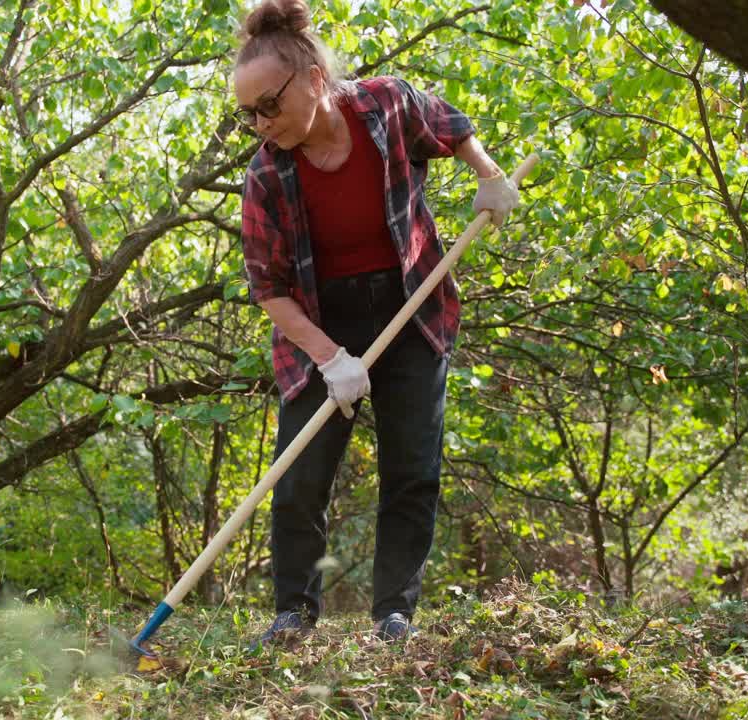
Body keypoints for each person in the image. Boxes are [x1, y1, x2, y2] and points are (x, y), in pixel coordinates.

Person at [233, 0, 521, 645]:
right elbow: (269, 289)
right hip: (318, 323)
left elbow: (450, 125)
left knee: (413, 466)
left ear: (312, 80)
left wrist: (491, 177)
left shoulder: (386, 105)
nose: (258, 124)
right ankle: (293, 615)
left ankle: (395, 614)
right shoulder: (266, 176)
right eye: (246, 113)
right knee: (300, 473)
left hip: (410, 306)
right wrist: (330, 358)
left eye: (268, 107)